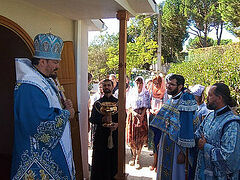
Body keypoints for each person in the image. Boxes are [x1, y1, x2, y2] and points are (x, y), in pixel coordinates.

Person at [11, 33, 76, 179]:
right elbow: (38, 122)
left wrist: (63, 105)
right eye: (55, 62)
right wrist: (66, 114)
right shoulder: (30, 85)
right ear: (42, 61)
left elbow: (49, 107)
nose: (58, 66)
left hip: (47, 150)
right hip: (37, 155)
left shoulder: (45, 80)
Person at [150, 74, 197, 180]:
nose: (168, 86)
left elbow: (189, 129)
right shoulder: (171, 100)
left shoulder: (186, 102)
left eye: (172, 84)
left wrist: (184, 152)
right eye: (167, 83)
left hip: (177, 148)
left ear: (180, 87)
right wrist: (159, 141)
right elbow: (162, 123)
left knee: (176, 174)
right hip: (165, 143)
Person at [195, 83, 240, 180]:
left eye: (210, 95)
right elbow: (198, 132)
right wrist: (198, 140)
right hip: (202, 172)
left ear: (219, 98)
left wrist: (206, 147)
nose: (207, 98)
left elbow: (229, 157)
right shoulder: (209, 116)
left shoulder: (232, 123)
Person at [90, 79, 118, 180]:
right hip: (100, 137)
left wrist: (117, 124)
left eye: (108, 85)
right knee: (99, 162)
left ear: (112, 87)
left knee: (113, 161)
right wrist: (103, 119)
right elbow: (92, 119)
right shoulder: (97, 104)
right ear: (102, 88)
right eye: (105, 85)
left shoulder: (118, 103)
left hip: (114, 136)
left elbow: (124, 117)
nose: (107, 87)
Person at [126, 76, 150, 169]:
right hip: (132, 116)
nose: (139, 84)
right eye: (137, 82)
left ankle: (138, 159)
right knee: (132, 137)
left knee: (140, 137)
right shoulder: (131, 92)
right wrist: (136, 114)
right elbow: (129, 106)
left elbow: (146, 106)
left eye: (140, 83)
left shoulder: (146, 93)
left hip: (142, 117)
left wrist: (142, 116)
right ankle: (133, 156)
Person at [148, 75, 165, 171]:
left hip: (160, 118)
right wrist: (151, 109)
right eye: (155, 83)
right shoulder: (151, 91)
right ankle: (154, 160)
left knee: (159, 139)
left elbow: (166, 105)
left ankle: (159, 161)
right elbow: (148, 103)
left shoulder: (165, 92)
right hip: (152, 117)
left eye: (158, 83)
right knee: (153, 139)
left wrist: (159, 111)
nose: (157, 85)